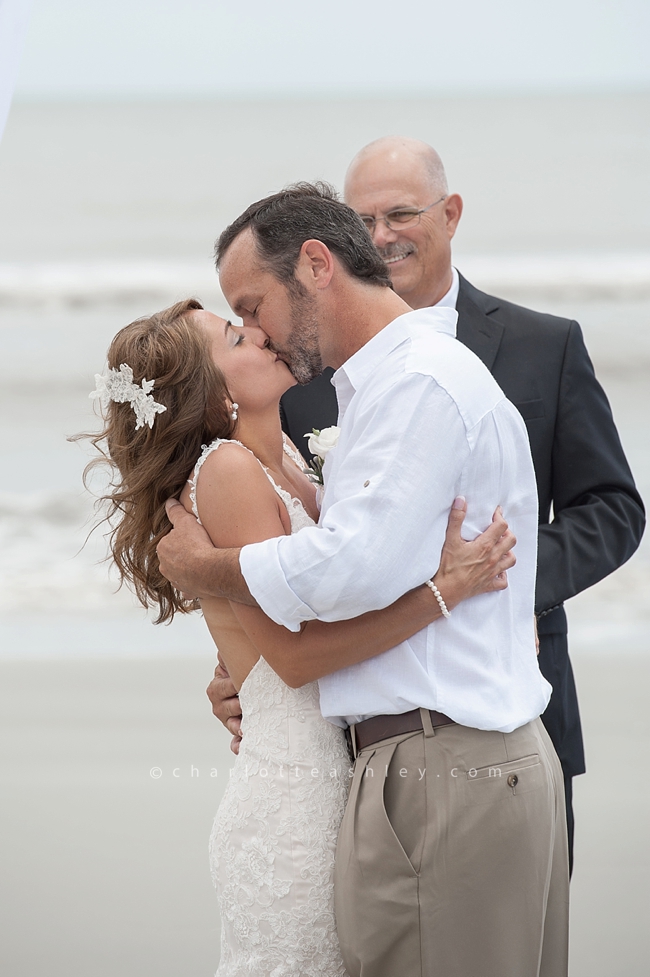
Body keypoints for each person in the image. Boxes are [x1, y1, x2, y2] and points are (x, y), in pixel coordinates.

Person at [157, 183, 569, 977]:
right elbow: (335, 600)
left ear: (315, 266)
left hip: (441, 769)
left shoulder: (416, 383)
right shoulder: (378, 388)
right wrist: (245, 664)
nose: (257, 331)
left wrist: (207, 568)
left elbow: (351, 568)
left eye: (252, 303)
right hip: (434, 764)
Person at [211, 137, 646, 874]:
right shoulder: (302, 371)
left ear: (450, 215)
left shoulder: (543, 344)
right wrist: (248, 663)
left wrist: (497, 584)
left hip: (504, 710)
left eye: (401, 213)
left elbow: (612, 507)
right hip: (369, 734)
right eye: (364, 217)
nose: (381, 234)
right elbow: (287, 517)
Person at [85, 298, 517, 977]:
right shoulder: (227, 471)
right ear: (214, 391)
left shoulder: (286, 455)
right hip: (295, 806)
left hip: (337, 777)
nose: (258, 331)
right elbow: (293, 657)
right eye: (236, 335)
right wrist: (444, 592)